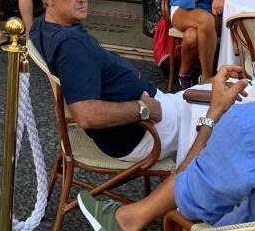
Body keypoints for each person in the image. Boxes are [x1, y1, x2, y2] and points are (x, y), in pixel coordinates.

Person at [30, 0, 187, 162]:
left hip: (145, 119)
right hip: (146, 131)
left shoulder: (41, 27)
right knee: (227, 111)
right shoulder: (71, 45)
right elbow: (86, 115)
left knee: (216, 91)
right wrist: (143, 109)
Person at [77, 64, 254, 230]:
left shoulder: (243, 125)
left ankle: (127, 219)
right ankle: (129, 218)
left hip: (148, 130)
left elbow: (189, 193)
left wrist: (214, 112)